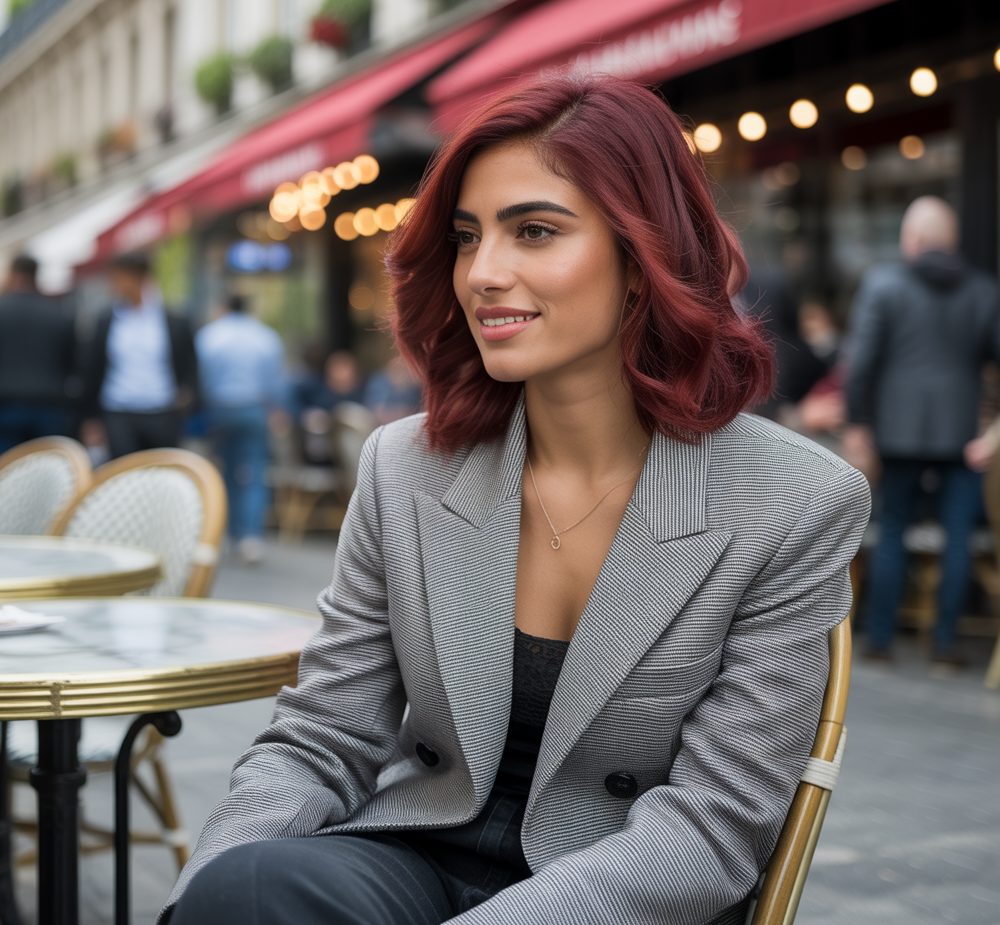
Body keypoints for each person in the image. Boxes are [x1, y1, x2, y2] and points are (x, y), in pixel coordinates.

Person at [161, 76, 869, 925]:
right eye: (468, 237)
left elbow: (712, 827)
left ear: (643, 261)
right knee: (248, 887)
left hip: (619, 893)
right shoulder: (406, 466)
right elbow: (325, 737)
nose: (484, 274)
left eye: (534, 231)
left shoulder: (795, 501)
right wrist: (203, 895)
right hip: (414, 855)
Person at [845, 196, 1000, 665]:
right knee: (956, 537)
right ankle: (946, 642)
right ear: (949, 242)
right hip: (960, 436)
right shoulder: (983, 290)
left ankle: (881, 640)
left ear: (912, 240)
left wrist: (857, 421)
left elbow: (861, 363)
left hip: (898, 432)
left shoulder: (884, 284)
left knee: (893, 529)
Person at [81, 252, 198, 459]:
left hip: (162, 412)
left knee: (161, 476)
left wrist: (188, 395)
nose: (112, 285)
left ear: (138, 278)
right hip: (118, 412)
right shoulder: (106, 320)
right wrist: (91, 417)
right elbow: (94, 368)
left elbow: (189, 363)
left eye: (117, 278)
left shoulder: (172, 321)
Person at [196, 295, 285, 564]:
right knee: (254, 473)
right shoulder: (265, 337)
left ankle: (223, 534)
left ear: (224, 307)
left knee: (222, 471)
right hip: (254, 409)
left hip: (219, 410)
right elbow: (275, 380)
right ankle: (250, 538)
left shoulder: (210, 335)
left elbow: (201, 376)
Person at [0, 254, 76, 465]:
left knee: (0, 476)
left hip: (0, 410)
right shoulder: (59, 313)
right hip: (50, 409)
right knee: (48, 478)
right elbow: (72, 365)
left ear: (12, 274)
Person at [364, 354, 422, 425]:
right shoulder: (378, 381)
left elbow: (410, 413)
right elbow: (375, 412)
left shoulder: (416, 383)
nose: (398, 363)